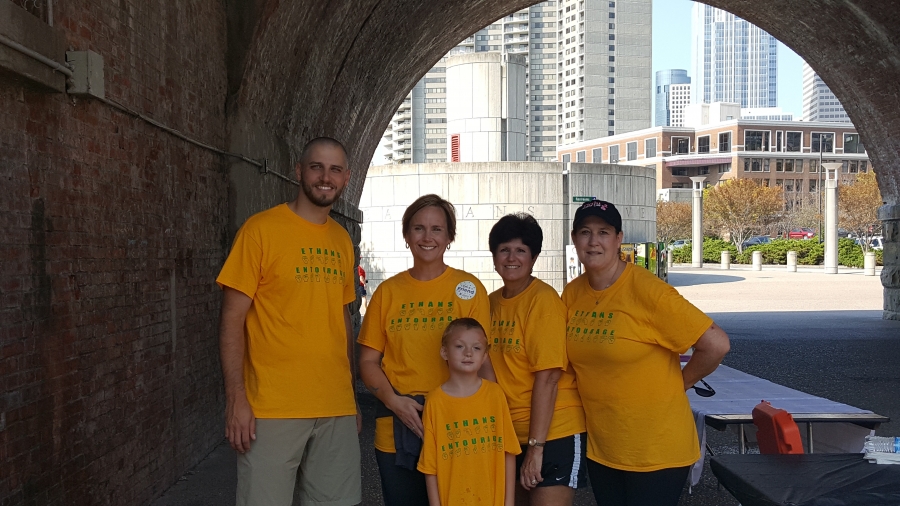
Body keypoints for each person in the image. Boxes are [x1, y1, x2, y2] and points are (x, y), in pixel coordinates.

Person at [216, 137, 361, 506]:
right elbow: (233, 317)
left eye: (335, 169)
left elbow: (342, 319)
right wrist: (236, 398)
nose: (325, 177)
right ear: (299, 172)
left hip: (334, 407)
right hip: (271, 408)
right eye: (316, 167)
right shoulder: (260, 230)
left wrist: (352, 396)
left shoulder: (342, 240)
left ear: (346, 178)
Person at [563, 199, 730, 506]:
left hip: (657, 449)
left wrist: (680, 383)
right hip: (604, 447)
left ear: (618, 239)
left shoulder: (649, 292)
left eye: (603, 232)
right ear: (574, 239)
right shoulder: (572, 294)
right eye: (585, 232)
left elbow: (716, 344)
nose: (593, 241)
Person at [358, 194, 492, 506]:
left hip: (458, 423)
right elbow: (367, 361)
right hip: (397, 423)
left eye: (437, 229)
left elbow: (483, 359)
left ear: (449, 237)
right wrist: (394, 402)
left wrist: (493, 415)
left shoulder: (469, 289)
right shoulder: (388, 293)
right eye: (418, 228)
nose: (427, 237)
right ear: (406, 236)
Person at [487, 214, 587, 505]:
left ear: (534, 256)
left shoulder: (542, 301)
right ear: (494, 256)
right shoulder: (490, 303)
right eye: (504, 250)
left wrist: (536, 447)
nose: (511, 258)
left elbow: (549, 377)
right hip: (508, 434)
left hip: (553, 433)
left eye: (521, 250)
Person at [418, 318, 520, 506]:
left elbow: (509, 451)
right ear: (444, 351)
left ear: (484, 356)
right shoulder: (435, 402)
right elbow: (429, 466)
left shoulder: (495, 395)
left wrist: (509, 501)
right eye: (459, 346)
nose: (468, 353)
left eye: (476, 348)